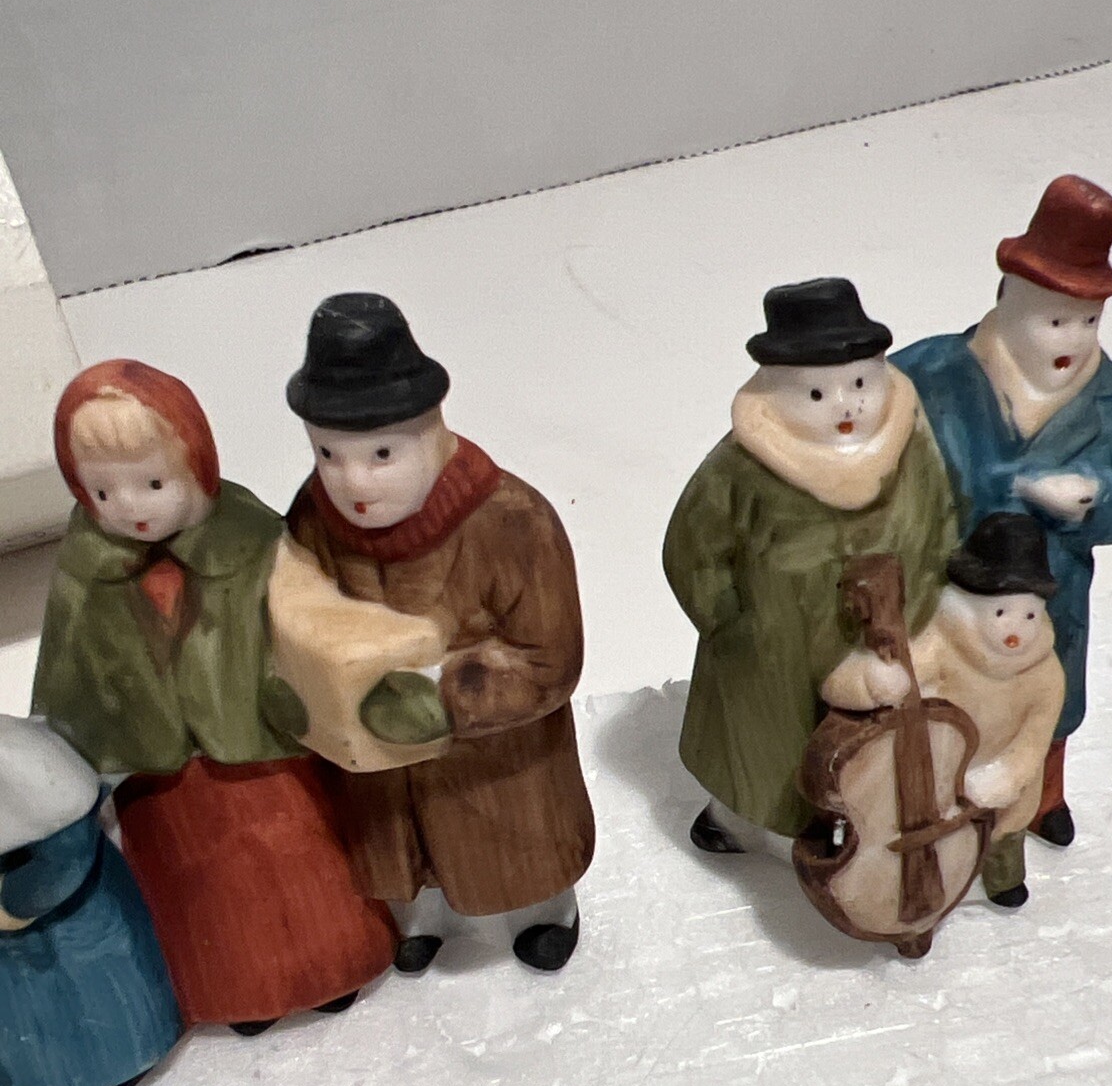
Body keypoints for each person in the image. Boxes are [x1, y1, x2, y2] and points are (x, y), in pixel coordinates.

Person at [31, 359, 396, 1031]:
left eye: (153, 483)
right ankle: (239, 996)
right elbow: (66, 677)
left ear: (197, 464)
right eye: (105, 492)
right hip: (164, 783)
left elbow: (311, 624)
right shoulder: (85, 573)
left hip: (267, 754)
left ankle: (335, 968)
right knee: (203, 891)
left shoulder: (252, 540)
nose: (133, 507)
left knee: (301, 862)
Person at [281, 292, 595, 975]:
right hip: (379, 765)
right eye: (328, 453)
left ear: (430, 429)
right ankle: (424, 918)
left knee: (513, 846)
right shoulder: (312, 517)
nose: (353, 481)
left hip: (495, 759)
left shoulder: (512, 520)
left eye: (381, 454)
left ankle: (544, 913)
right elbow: (296, 609)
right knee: (403, 851)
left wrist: (438, 690)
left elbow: (551, 659)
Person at [892, 176, 1112, 849]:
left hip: (1049, 591)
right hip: (940, 583)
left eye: (1089, 320)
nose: (1074, 338)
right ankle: (925, 796)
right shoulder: (928, 372)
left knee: (1046, 694)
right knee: (935, 691)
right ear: (1008, 296)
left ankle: (1042, 793)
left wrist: (1092, 498)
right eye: (1056, 319)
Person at [663, 277, 957, 848]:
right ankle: (745, 824)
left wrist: (918, 614)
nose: (846, 406)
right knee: (767, 749)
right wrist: (733, 625)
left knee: (880, 748)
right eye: (817, 395)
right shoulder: (742, 467)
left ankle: (868, 827)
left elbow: (939, 526)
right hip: (776, 645)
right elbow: (691, 548)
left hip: (885, 632)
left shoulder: (911, 447)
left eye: (860, 384)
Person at [823, 513, 1065, 907]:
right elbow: (853, 684)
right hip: (938, 771)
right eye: (1001, 613)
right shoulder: (941, 644)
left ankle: (1003, 873)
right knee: (937, 837)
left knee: (1006, 826)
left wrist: (1007, 774)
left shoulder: (1045, 673)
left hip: (999, 772)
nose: (1015, 630)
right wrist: (874, 682)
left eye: (1029, 615)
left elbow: (1035, 739)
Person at [0, 714, 182, 1086]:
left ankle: (120, 1059)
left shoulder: (17, 757)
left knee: (96, 1005)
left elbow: (66, 851)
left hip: (70, 929)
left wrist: (15, 905)